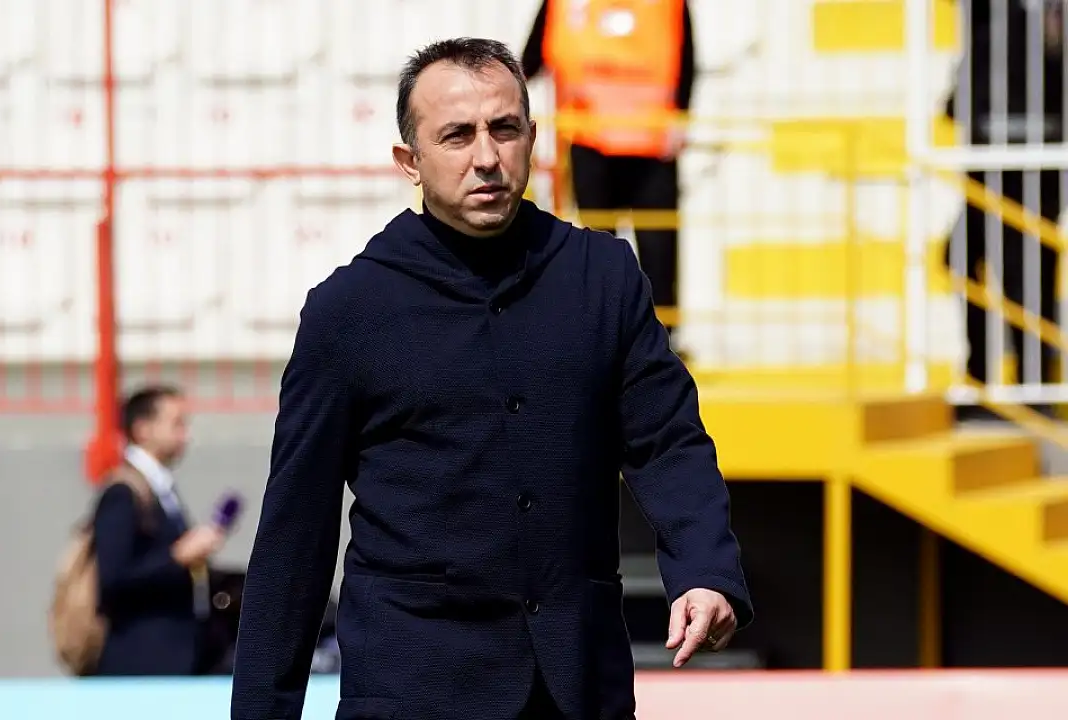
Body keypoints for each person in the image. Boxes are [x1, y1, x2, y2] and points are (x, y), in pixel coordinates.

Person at [231, 38, 751, 720]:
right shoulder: (349, 311)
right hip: (413, 694)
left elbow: (668, 442)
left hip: (579, 689)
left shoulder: (603, 278)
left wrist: (706, 570)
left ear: (532, 139)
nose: (486, 157)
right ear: (409, 162)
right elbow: (295, 533)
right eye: (457, 136)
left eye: (504, 129)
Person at [522, 0, 696, 332]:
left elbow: (685, 58)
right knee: (598, 249)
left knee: (656, 250)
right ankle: (602, 335)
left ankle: (661, 339)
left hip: (651, 143)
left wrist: (681, 117)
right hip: (591, 140)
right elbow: (530, 60)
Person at [945, 0, 1064, 410]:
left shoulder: (1028, 22)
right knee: (962, 259)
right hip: (992, 174)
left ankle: (1031, 389)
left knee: (1025, 280)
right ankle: (985, 381)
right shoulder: (990, 25)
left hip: (1029, 177)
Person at [91, 384, 229, 676]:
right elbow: (114, 578)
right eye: (176, 424)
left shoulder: (160, 488)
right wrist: (178, 557)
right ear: (143, 429)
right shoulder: (123, 493)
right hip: (142, 664)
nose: (185, 435)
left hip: (175, 657)